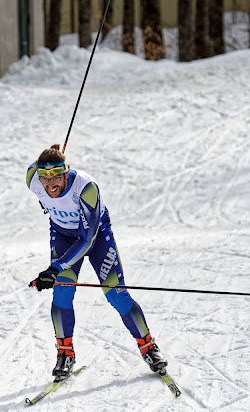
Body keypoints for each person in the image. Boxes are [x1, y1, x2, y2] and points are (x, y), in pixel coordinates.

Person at [27, 144, 168, 380]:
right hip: (63, 236)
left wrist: (55, 268)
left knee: (115, 293)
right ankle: (65, 354)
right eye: (45, 179)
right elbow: (36, 167)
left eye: (56, 178)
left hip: (96, 236)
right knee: (61, 293)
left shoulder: (85, 188)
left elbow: (87, 238)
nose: (50, 185)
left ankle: (148, 347)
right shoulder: (33, 178)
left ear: (66, 172)